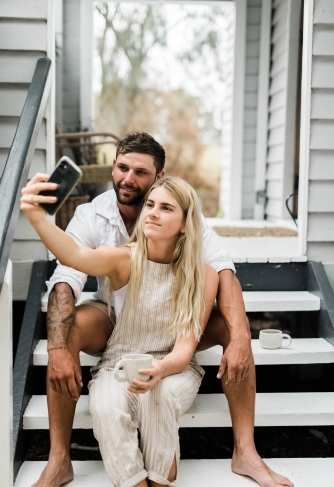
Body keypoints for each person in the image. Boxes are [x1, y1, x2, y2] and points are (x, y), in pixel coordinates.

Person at [21, 132, 293, 487]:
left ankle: (245, 450)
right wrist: (39, 219)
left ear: (158, 180)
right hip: (118, 322)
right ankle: (59, 459)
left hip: (176, 329)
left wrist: (241, 339)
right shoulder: (109, 235)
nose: (128, 179)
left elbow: (223, 273)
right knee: (75, 348)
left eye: (141, 173)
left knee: (228, 332)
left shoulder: (188, 232)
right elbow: (72, 263)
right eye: (121, 168)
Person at [22, 175, 219, 486]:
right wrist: (37, 218)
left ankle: (162, 480)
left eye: (166, 208)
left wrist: (161, 368)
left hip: (174, 369)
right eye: (150, 205)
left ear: (184, 223)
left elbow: (184, 349)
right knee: (106, 406)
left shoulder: (204, 276)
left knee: (161, 395)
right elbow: (76, 255)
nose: (152, 212)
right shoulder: (126, 258)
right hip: (118, 362)